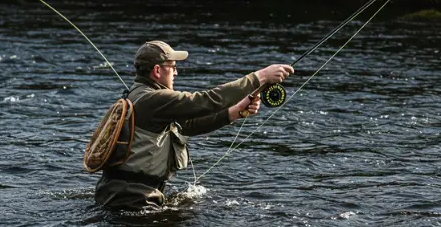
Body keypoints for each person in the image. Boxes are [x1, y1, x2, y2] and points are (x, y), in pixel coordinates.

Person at [94, 40, 294, 209]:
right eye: (173, 67)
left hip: (123, 195)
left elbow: (187, 126)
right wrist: (259, 77)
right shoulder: (153, 99)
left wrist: (234, 113)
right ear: (157, 70)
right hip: (133, 200)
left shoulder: (141, 96)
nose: (176, 73)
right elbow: (203, 101)